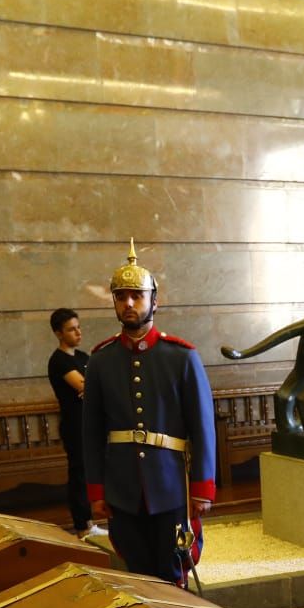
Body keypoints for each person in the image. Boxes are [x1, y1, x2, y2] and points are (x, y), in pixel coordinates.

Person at [82, 242, 217, 584]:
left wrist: (203, 486)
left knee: (174, 566)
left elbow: (202, 427)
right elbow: (92, 433)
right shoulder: (100, 360)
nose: (128, 303)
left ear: (154, 301)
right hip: (122, 487)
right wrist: (96, 491)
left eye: (137, 295)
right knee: (138, 572)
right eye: (121, 296)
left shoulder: (182, 357)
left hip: (171, 484)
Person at [46, 308, 100, 538]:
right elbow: (86, 387)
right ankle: (82, 525)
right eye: (71, 329)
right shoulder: (59, 360)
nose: (78, 332)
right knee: (79, 473)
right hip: (74, 424)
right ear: (59, 333)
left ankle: (91, 521)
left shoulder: (83, 358)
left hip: (90, 422)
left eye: (78, 327)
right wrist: (91, 389)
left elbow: (98, 385)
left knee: (92, 471)